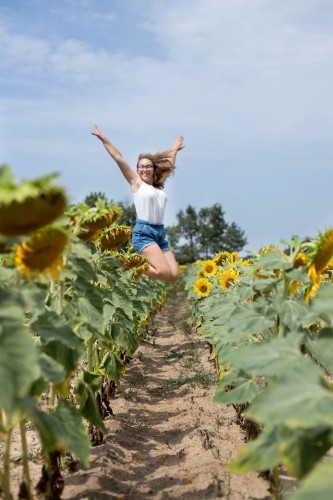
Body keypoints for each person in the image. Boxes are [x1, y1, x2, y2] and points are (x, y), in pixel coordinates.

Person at [92, 125, 185, 282]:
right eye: (141, 166)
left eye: (148, 166)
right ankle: (128, 263)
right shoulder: (136, 183)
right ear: (137, 170)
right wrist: (103, 139)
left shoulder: (157, 187)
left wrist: (174, 150)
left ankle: (133, 263)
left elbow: (169, 167)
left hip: (160, 233)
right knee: (162, 272)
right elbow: (119, 158)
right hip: (144, 233)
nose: (144, 169)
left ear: (154, 170)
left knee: (173, 276)